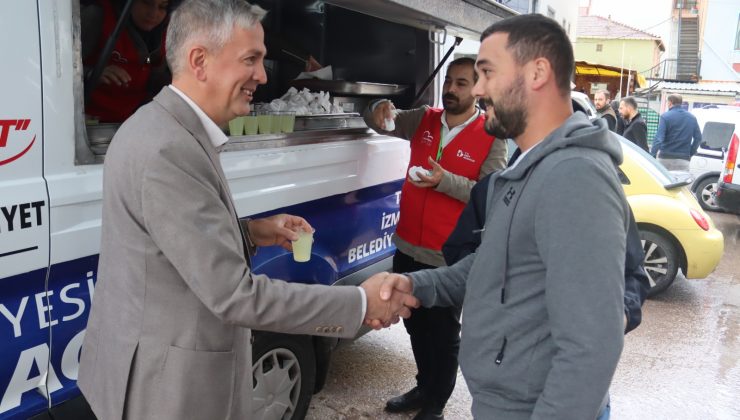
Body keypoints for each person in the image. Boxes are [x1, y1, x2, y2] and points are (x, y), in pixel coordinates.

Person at [77, 2, 418, 419]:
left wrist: (252, 231)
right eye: (250, 59)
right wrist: (359, 305)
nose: (261, 74)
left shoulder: (164, 127)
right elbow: (236, 296)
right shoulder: (169, 149)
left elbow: (167, 242)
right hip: (165, 390)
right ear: (199, 61)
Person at [374, 14, 629, 419]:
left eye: (487, 73)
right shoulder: (526, 166)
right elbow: (494, 262)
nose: (478, 89)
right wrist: (414, 284)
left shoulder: (575, 177)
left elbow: (591, 346)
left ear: (537, 72)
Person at [363, 57, 508, 420]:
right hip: (408, 243)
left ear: (476, 89)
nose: (452, 89)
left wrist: (445, 182)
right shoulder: (424, 119)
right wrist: (376, 108)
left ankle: (436, 404)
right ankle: (424, 386)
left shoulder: (491, 135)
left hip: (449, 257)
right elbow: (380, 121)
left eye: (462, 83)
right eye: (449, 81)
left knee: (442, 336)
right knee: (413, 324)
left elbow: (490, 195)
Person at [81, 0, 172, 122]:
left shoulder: (167, 31)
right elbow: (56, 71)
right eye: (146, 3)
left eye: (162, 7)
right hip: (89, 122)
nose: (153, 13)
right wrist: (92, 73)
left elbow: (154, 76)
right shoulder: (97, 17)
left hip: (133, 122)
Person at [651, 94, 702, 171]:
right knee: (681, 182)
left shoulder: (665, 117)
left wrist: (653, 155)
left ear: (670, 102)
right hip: (683, 159)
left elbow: (659, 139)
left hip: (665, 158)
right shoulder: (692, 118)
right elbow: (698, 138)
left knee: (662, 182)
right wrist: (690, 153)